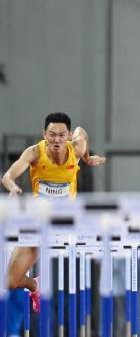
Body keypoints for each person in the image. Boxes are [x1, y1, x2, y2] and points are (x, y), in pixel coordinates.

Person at [2, 113, 105, 310]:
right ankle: (35, 285)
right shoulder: (34, 152)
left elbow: (82, 132)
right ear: (44, 134)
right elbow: (7, 176)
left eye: (61, 135)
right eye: (52, 135)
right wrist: (13, 187)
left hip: (68, 220)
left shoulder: (76, 148)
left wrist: (87, 158)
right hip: (39, 222)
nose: (56, 140)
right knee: (9, 282)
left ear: (69, 136)